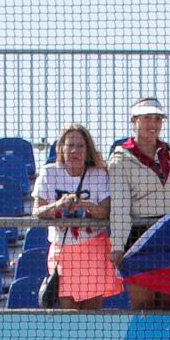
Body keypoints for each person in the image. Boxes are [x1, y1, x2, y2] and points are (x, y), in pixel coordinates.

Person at [109, 97, 170, 310]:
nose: (153, 124)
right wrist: (118, 246)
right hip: (139, 237)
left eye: (157, 118)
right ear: (134, 121)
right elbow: (119, 206)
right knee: (143, 305)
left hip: (169, 234)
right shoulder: (120, 159)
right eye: (146, 118)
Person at [32, 123, 115, 310]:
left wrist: (82, 204)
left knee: (92, 311)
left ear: (88, 151)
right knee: (68, 311)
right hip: (63, 250)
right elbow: (38, 210)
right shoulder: (49, 172)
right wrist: (60, 204)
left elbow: (105, 211)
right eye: (70, 145)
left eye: (80, 146)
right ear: (61, 148)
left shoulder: (99, 175)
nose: (75, 151)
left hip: (93, 249)